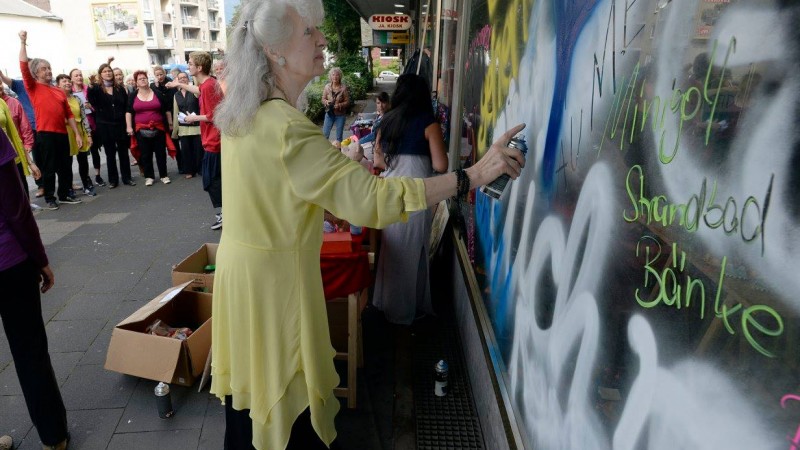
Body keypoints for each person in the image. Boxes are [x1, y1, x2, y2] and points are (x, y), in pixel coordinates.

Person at [210, 1, 525, 448]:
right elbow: (376, 200)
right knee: (285, 419)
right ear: (275, 51)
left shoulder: (243, 117)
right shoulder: (286, 128)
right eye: (308, 33)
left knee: (248, 415)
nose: (321, 40)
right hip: (274, 294)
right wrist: (472, 175)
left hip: (241, 287)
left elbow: (272, 196)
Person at [0, 131, 70, 450]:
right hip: (8, 262)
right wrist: (40, 259)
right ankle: (53, 436)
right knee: (30, 351)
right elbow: (16, 208)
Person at [371, 74, 448, 324]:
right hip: (417, 197)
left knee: (392, 253)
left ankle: (388, 305)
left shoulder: (386, 122)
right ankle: (405, 312)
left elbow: (378, 162)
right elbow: (440, 164)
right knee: (413, 252)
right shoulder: (429, 124)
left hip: (389, 195)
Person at [18, 30, 83, 210]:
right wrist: (23, 42)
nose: (48, 71)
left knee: (65, 166)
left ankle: (63, 194)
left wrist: (77, 134)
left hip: (62, 133)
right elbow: (23, 65)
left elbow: (69, 114)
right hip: (45, 134)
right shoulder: (33, 86)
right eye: (44, 69)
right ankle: (50, 197)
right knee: (49, 167)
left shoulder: (58, 91)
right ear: (36, 73)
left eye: (49, 68)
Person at [166, 51, 223, 229]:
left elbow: (214, 115)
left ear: (198, 68)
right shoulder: (207, 83)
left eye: (190, 64)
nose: (188, 65)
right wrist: (178, 83)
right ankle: (226, 213)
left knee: (211, 181)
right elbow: (198, 90)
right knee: (213, 180)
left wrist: (193, 118)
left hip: (214, 142)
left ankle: (225, 214)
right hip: (212, 140)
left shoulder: (208, 86)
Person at [88, 63, 135, 188]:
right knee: (110, 153)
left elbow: (127, 106)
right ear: (100, 74)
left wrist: (128, 124)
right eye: (104, 71)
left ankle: (127, 178)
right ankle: (113, 180)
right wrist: (91, 86)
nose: (108, 73)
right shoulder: (96, 89)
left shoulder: (119, 88)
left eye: (109, 71)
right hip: (105, 125)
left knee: (123, 152)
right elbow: (92, 101)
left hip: (120, 124)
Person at [126, 70, 173, 186]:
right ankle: (149, 176)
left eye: (144, 78)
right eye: (140, 79)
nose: (142, 80)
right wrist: (129, 127)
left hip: (159, 128)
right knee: (145, 154)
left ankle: (164, 175)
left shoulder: (157, 93)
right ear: (136, 82)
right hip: (140, 129)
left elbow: (167, 110)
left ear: (148, 79)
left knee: (160, 153)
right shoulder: (132, 96)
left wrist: (170, 124)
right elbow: (128, 112)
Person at [0, 67, 42, 197]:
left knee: (21, 192)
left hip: (13, 155)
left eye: (0, 83)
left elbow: (21, 129)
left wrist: (29, 158)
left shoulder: (11, 103)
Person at [56, 74, 94, 196]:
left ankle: (86, 184)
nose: (67, 83)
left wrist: (88, 134)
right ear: (58, 85)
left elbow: (84, 117)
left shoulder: (77, 99)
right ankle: (68, 187)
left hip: (80, 131)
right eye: (63, 81)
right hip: (66, 133)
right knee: (67, 162)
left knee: (83, 160)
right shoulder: (57, 100)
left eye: (68, 81)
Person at [70, 68, 105, 188]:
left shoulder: (88, 89)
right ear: (71, 78)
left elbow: (98, 105)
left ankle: (97, 175)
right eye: (76, 76)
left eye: (80, 75)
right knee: (82, 155)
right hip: (77, 127)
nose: (79, 77)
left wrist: (91, 106)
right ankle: (85, 179)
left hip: (92, 124)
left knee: (95, 151)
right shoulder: (69, 92)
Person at [171, 71, 203, 178]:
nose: (183, 79)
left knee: (198, 150)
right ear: (177, 80)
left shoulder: (194, 90)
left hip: (196, 126)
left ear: (188, 78)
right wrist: (175, 131)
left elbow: (199, 94)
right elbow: (176, 112)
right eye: (180, 78)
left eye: (185, 77)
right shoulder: (176, 95)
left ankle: (201, 169)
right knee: (186, 151)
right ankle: (189, 171)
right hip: (183, 127)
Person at [321, 67, 349, 141]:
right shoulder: (327, 87)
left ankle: (338, 151)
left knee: (339, 137)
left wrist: (339, 105)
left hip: (340, 115)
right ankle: (325, 152)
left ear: (340, 76)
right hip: (329, 114)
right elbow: (323, 99)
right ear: (330, 76)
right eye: (333, 75)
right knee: (325, 135)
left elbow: (347, 102)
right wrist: (326, 102)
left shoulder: (343, 88)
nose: (335, 77)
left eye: (337, 75)